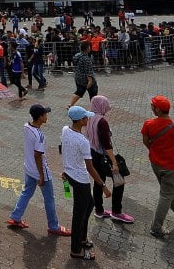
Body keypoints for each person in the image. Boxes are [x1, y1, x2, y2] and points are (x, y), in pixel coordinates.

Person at [7, 104, 72, 236]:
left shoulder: (26, 127)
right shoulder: (40, 136)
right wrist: (42, 176)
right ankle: (54, 226)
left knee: (26, 193)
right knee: (49, 199)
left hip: (28, 168)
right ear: (40, 117)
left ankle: (16, 217)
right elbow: (38, 156)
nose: (47, 116)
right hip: (39, 171)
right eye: (45, 114)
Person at [62, 106, 110, 261]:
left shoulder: (65, 130)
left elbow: (63, 149)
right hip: (80, 180)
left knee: (89, 205)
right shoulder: (82, 141)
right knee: (78, 216)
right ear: (81, 120)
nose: (88, 119)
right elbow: (90, 167)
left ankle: (82, 238)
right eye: (86, 118)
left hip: (71, 175)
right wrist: (103, 185)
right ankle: (76, 250)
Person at [141, 95, 174, 238]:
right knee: (166, 195)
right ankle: (156, 227)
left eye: (152, 106)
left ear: (157, 109)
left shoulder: (148, 124)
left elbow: (146, 142)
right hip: (171, 168)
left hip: (155, 164)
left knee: (167, 193)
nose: (151, 108)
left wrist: (156, 152)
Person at [84, 96, 133, 223]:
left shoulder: (88, 117)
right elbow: (107, 144)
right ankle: (117, 211)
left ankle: (99, 210)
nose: (107, 108)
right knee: (119, 180)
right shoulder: (102, 121)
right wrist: (115, 163)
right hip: (103, 156)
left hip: (92, 153)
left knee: (99, 181)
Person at [68, 42, 98, 108]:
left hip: (78, 77)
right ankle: (94, 107)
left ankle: (70, 104)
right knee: (93, 93)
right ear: (87, 49)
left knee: (79, 91)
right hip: (86, 78)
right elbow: (88, 70)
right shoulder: (86, 59)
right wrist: (90, 81)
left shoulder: (77, 56)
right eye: (89, 47)